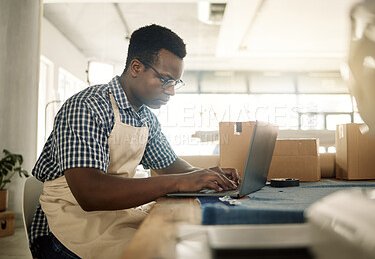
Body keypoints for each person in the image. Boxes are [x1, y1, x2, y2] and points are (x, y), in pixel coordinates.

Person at [29, 24, 239, 259]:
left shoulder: (145, 117)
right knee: (164, 252)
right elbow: (90, 194)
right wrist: (179, 182)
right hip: (70, 228)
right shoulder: (87, 107)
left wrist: (208, 175)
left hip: (114, 216)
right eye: (165, 80)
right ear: (136, 67)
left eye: (175, 83)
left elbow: (170, 164)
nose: (171, 92)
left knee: (183, 240)